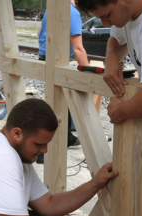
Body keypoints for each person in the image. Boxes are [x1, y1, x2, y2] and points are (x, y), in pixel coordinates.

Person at [36, 0, 106, 164]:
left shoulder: (53, 7)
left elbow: (40, 32)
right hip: (57, 59)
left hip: (45, 55)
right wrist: (88, 73)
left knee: (60, 100)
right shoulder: (73, 12)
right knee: (55, 105)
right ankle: (42, 153)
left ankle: (66, 137)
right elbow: (78, 47)